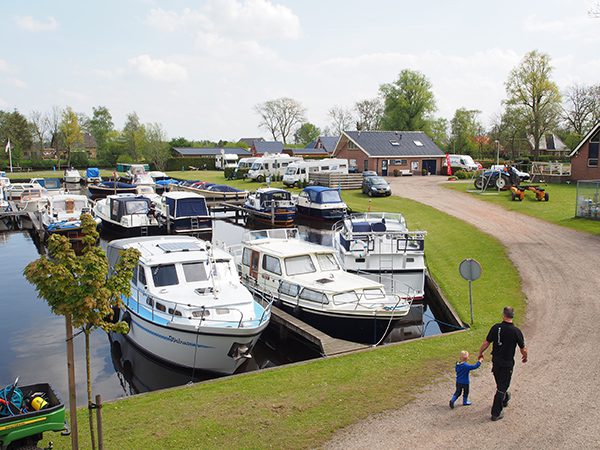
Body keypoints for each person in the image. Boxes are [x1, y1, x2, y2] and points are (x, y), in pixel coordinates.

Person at [478, 306, 528, 421]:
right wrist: (525, 357)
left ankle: (504, 398)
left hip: (496, 361)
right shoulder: (516, 331)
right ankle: (496, 413)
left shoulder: (496, 328)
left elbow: (487, 342)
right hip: (507, 363)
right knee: (501, 387)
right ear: (512, 316)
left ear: (503, 315)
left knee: (500, 384)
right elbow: (523, 348)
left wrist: (480, 353)